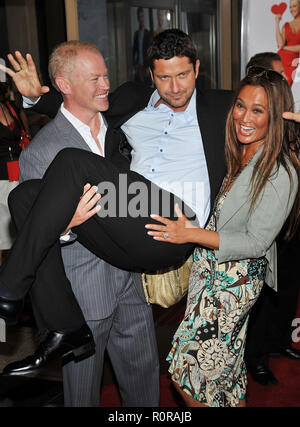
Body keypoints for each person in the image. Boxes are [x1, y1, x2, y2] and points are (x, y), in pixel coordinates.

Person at [0, 29, 233, 374]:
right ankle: (65, 326)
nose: (175, 87)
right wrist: (37, 98)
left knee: (71, 161)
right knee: (24, 196)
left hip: (179, 221)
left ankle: (7, 290)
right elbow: (82, 104)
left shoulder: (224, 106)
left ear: (197, 69)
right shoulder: (132, 101)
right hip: (131, 219)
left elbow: (268, 123)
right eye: (164, 78)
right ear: (151, 76)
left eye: (183, 75)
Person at [1, 41, 160, 407]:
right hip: (84, 291)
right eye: (94, 78)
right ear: (65, 85)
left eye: (105, 74)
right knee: (83, 393)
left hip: (131, 284)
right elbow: (31, 229)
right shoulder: (41, 152)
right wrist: (65, 224)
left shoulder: (124, 130)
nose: (106, 84)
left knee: (145, 382)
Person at [145, 68, 300, 407]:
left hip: (233, 283)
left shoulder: (281, 170)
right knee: (225, 375)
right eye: (240, 106)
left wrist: (190, 233)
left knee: (187, 370)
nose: (244, 117)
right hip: (210, 271)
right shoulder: (241, 151)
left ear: (275, 117)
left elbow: (257, 242)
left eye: (257, 110)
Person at [244, 53, 300, 386]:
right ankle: (256, 357)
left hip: (294, 222)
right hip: (265, 227)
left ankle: (279, 343)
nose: (285, 81)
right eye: (277, 75)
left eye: (284, 76)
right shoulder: (253, 120)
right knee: (262, 295)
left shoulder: (291, 121)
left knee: (289, 288)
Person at [0, 79, 30, 265]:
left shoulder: (10, 107)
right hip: (0, 179)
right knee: (2, 238)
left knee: (22, 231)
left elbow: (26, 133)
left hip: (19, 175)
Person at [275, 0, 300, 86]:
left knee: (286, 87)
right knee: (276, 87)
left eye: (294, 6)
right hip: (281, 59)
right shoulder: (286, 25)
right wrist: (277, 23)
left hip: (293, 62)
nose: (291, 9)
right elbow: (280, 44)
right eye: (290, 7)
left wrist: (285, 48)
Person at [132, 7, 152, 84]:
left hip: (146, 65)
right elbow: (134, 50)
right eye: (139, 17)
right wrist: (135, 65)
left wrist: (149, 66)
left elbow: (150, 51)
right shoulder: (136, 34)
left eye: (142, 16)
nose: (141, 19)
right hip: (139, 66)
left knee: (147, 86)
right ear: (138, 18)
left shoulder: (148, 33)